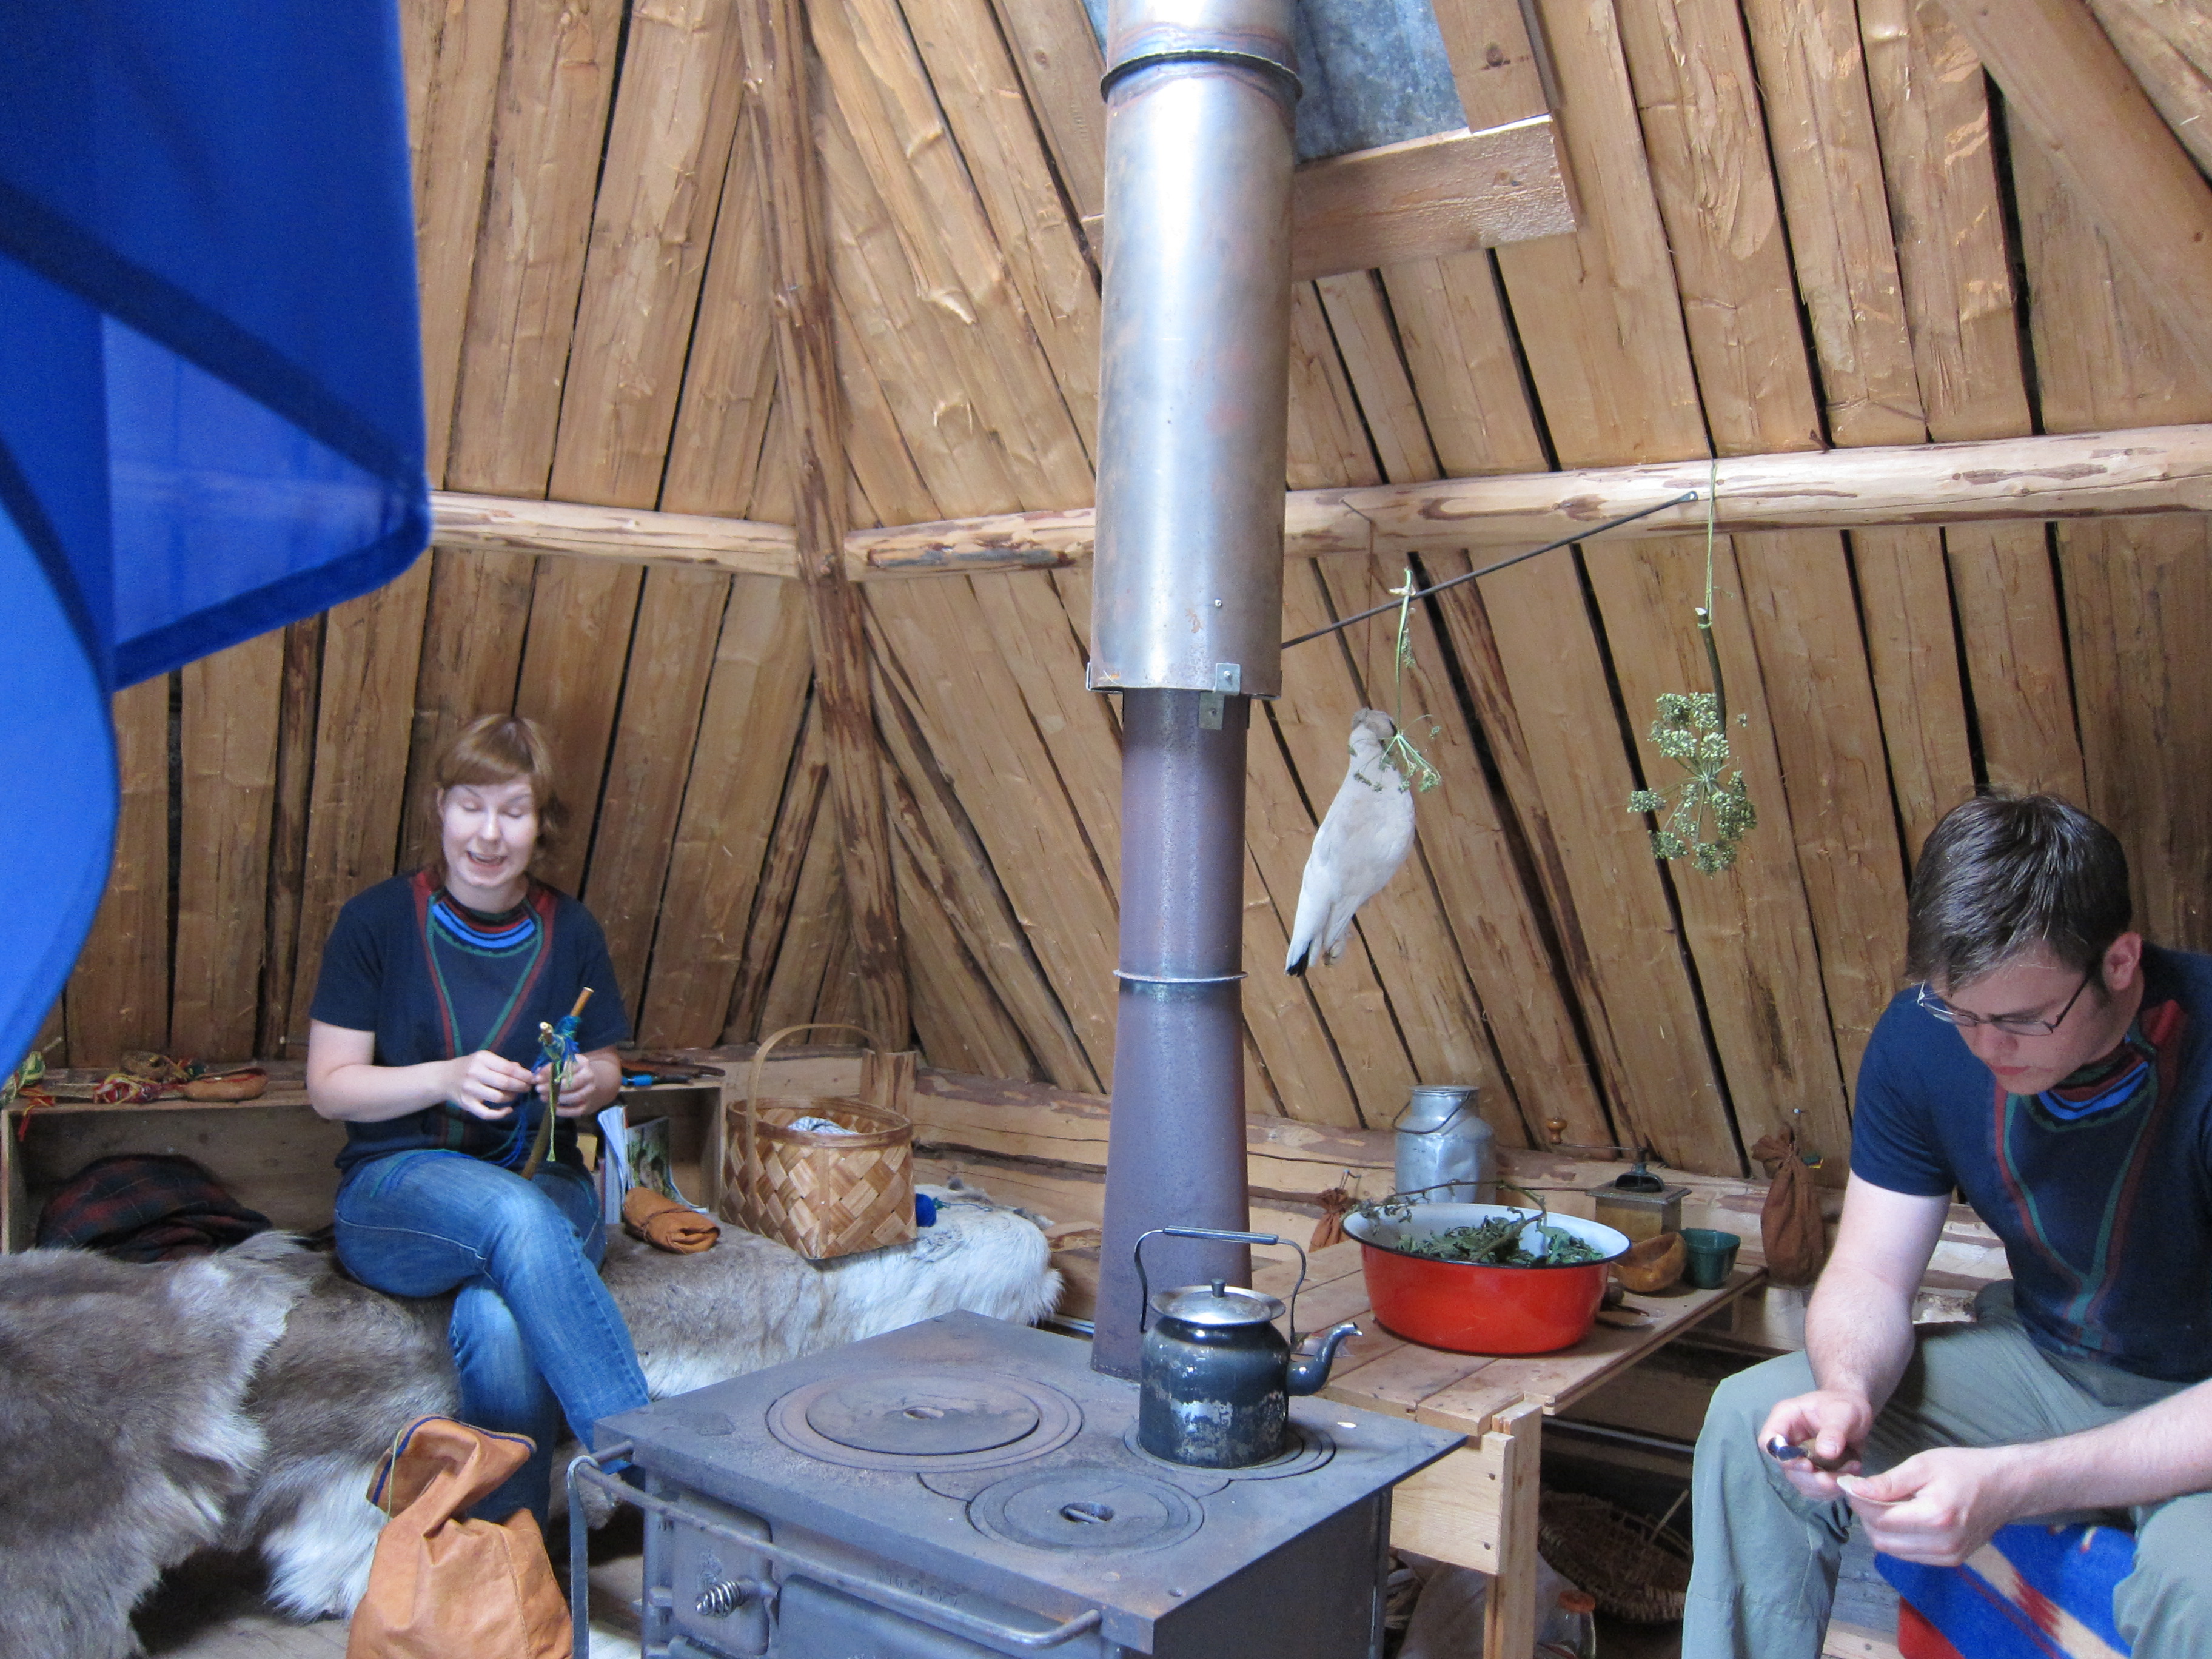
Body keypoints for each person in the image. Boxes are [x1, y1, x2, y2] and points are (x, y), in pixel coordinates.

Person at [1685, 792, 2212, 1657]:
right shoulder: (1924, 1036)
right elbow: (1869, 1273)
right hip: (2051, 1367)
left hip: (2196, 1403)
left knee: (2201, 1585)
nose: (1985, 1047)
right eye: (1961, 1011)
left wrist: (2017, 1482)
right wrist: (1849, 1392)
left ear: (2119, 962)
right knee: (1757, 1425)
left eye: (2022, 1020)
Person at [305, 713, 649, 1523]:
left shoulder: (572, 930)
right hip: (396, 1192)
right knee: (511, 1215)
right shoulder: (376, 922)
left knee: (497, 1319)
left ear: (540, 825)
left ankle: (513, 1558)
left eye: (513, 812)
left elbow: (609, 1066)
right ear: (440, 807)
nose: (489, 834)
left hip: (548, 1176)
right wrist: (445, 1078)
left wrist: (586, 1084)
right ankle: (660, 1476)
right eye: (471, 806)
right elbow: (329, 1088)